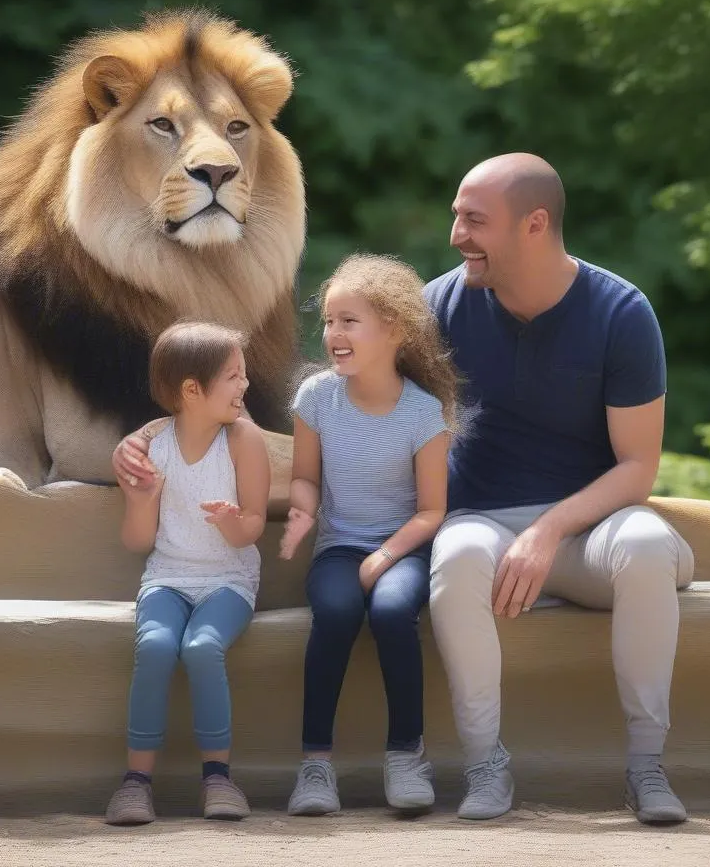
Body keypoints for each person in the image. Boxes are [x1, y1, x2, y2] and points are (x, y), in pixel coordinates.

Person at [423, 153, 694, 824]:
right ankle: (486, 766)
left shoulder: (621, 313)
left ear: (535, 224)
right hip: (481, 524)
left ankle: (647, 769)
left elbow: (638, 468)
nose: (456, 234)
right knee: (454, 558)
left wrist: (549, 531)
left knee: (649, 544)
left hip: (590, 534)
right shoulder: (436, 307)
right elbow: (368, 422)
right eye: (457, 215)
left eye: (475, 220)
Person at [278, 254, 455, 815]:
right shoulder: (315, 398)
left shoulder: (424, 413)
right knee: (335, 612)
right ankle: (314, 767)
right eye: (329, 321)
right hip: (338, 549)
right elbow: (304, 477)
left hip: (402, 546)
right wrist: (304, 510)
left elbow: (431, 511)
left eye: (349, 321)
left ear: (395, 330)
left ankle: (406, 756)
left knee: (390, 612)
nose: (333, 333)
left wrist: (385, 555)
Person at [104, 321, 269, 825]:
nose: (245, 386)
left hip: (229, 580)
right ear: (192, 390)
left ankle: (218, 778)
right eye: (233, 377)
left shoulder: (245, 441)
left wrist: (231, 522)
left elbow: (254, 529)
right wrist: (140, 499)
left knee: (201, 648)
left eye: (243, 375)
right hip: (167, 579)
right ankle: (135, 784)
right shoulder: (152, 446)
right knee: (155, 647)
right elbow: (138, 542)